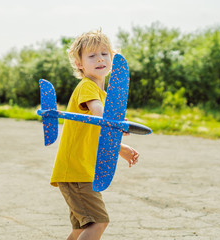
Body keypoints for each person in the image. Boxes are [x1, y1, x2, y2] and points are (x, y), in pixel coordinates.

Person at [50, 30, 140, 240]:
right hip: (77, 171)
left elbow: (96, 130)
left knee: (81, 229)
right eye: (92, 56)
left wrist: (120, 148)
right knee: (98, 222)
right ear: (79, 63)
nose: (100, 59)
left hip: (80, 171)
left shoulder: (102, 93)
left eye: (104, 54)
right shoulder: (87, 87)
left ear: (112, 57)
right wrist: (114, 123)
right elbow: (99, 113)